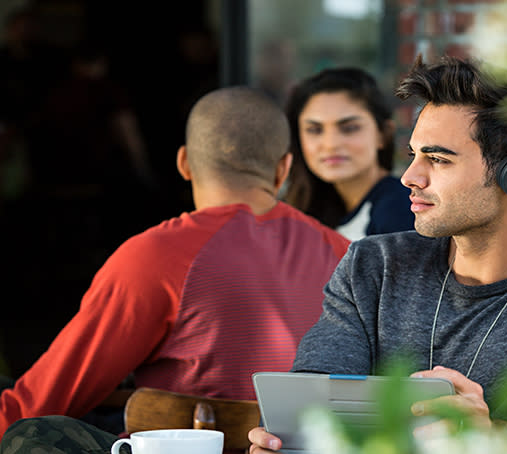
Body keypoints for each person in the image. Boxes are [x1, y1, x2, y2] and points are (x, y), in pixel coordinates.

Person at [248, 56, 507, 453]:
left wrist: (493, 435)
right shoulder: (372, 266)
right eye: (413, 155)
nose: (410, 177)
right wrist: (284, 441)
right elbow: (310, 403)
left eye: (437, 159)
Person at [0, 86, 350, 441]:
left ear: (183, 163)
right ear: (283, 168)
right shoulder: (346, 254)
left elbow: (40, 403)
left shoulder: (156, 257)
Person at [282, 67, 414, 241]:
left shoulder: (400, 210)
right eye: (314, 130)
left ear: (383, 134)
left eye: (349, 128)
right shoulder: (307, 210)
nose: (330, 144)